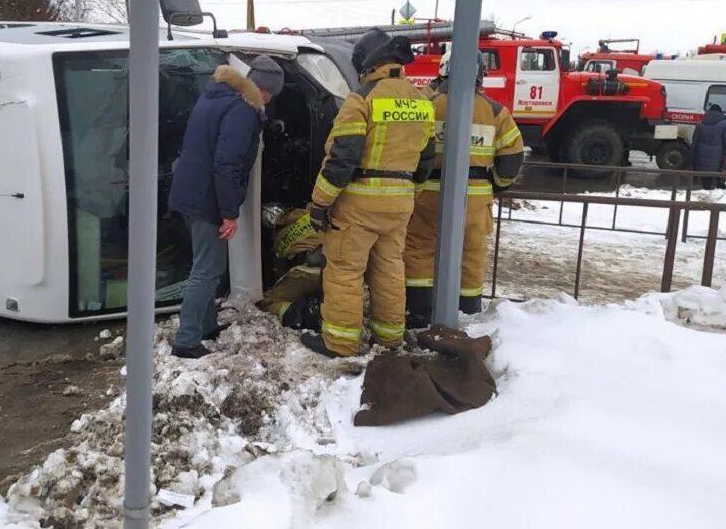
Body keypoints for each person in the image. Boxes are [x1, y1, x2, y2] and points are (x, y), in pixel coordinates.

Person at [304, 30, 435, 358]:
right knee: (390, 268)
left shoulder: (362, 98)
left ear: (368, 63)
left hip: (360, 202)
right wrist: (406, 192)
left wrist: (320, 204)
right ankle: (390, 338)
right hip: (401, 203)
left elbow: (341, 159)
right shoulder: (421, 102)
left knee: (345, 271)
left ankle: (340, 342)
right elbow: (426, 159)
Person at [168, 57, 284, 359]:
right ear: (264, 90)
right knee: (206, 269)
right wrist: (230, 212)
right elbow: (226, 164)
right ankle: (187, 339)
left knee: (206, 264)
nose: (268, 102)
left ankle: (205, 325)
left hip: (190, 192)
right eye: (270, 95)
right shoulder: (243, 111)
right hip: (206, 198)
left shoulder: (216, 96)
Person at [402, 52, 525, 326]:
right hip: (476, 197)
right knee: (471, 253)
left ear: (444, 70)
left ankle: (419, 312)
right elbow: (512, 158)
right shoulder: (496, 112)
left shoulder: (426, 105)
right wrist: (496, 184)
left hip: (428, 192)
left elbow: (407, 146)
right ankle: (468, 312)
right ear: (480, 75)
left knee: (420, 249)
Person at [692, 104, 726, 190]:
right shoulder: (724, 124)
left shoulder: (700, 124)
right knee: (717, 175)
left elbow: (694, 141)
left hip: (702, 155)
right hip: (718, 156)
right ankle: (715, 192)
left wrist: (693, 154)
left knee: (705, 176)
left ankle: (706, 189)